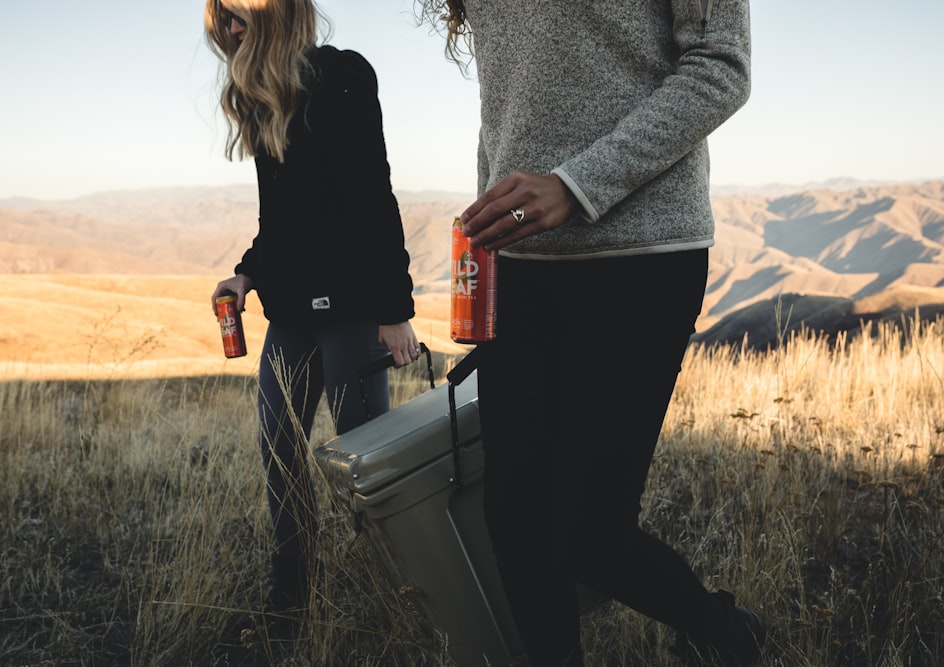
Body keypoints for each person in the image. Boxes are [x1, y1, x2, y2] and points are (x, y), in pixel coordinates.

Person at [419, 0, 763, 665]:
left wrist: (575, 186)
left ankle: (727, 632)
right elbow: (505, 106)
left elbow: (721, 65)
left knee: (588, 530)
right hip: (518, 268)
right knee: (513, 518)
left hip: (640, 259)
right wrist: (484, 244)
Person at [204, 0, 421, 628]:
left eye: (240, 16)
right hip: (291, 318)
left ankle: (400, 594)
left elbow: (372, 199)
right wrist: (248, 272)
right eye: (223, 21)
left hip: (354, 314)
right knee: (279, 447)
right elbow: (286, 219)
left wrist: (393, 310)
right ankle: (293, 598)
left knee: (365, 464)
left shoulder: (340, 78)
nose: (231, 30)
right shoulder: (264, 99)